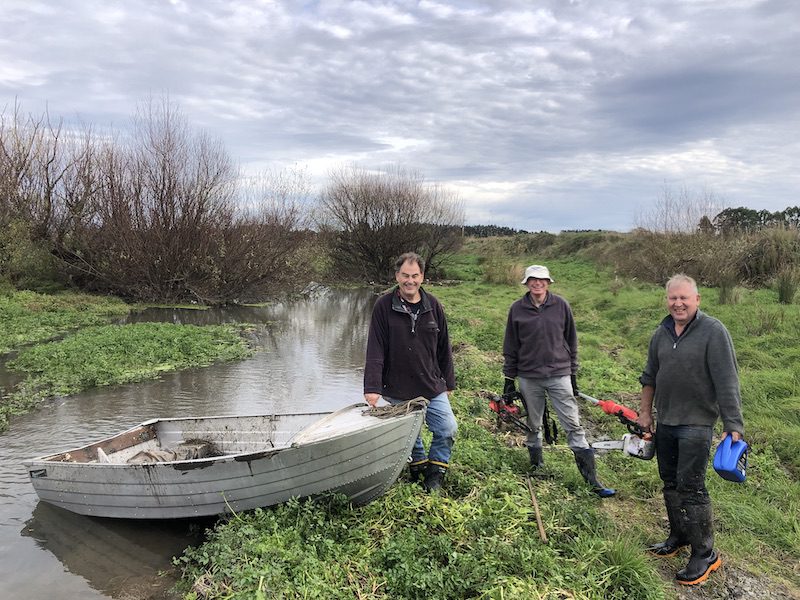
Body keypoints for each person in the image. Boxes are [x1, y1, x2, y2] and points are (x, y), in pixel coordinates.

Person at [637, 274, 744, 586]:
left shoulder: (713, 331)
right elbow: (649, 376)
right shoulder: (661, 332)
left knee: (691, 487)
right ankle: (679, 535)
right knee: (670, 482)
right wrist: (645, 412)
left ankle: (705, 553)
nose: (678, 303)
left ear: (697, 300)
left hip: (697, 423)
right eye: (673, 298)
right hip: (666, 421)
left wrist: (733, 424)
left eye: (684, 298)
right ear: (667, 300)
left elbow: (727, 380)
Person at [502, 264, 614, 497]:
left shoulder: (561, 305)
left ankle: (592, 481)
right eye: (533, 280)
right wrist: (509, 379)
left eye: (542, 280)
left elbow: (571, 340)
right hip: (528, 376)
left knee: (572, 424)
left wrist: (572, 374)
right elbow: (511, 345)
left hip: (559, 374)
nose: (537, 284)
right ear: (527, 283)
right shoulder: (517, 309)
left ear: (548, 283)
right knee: (533, 424)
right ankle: (537, 466)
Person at [363, 252, 457, 492]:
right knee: (410, 435)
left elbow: (444, 346)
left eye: (415, 276)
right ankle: (418, 468)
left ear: (422, 277)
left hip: (431, 384)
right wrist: (372, 387)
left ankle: (435, 474)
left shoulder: (433, 305)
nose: (410, 281)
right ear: (397, 276)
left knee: (447, 428)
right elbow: (375, 347)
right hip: (397, 387)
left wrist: (448, 382)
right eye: (405, 275)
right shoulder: (383, 306)